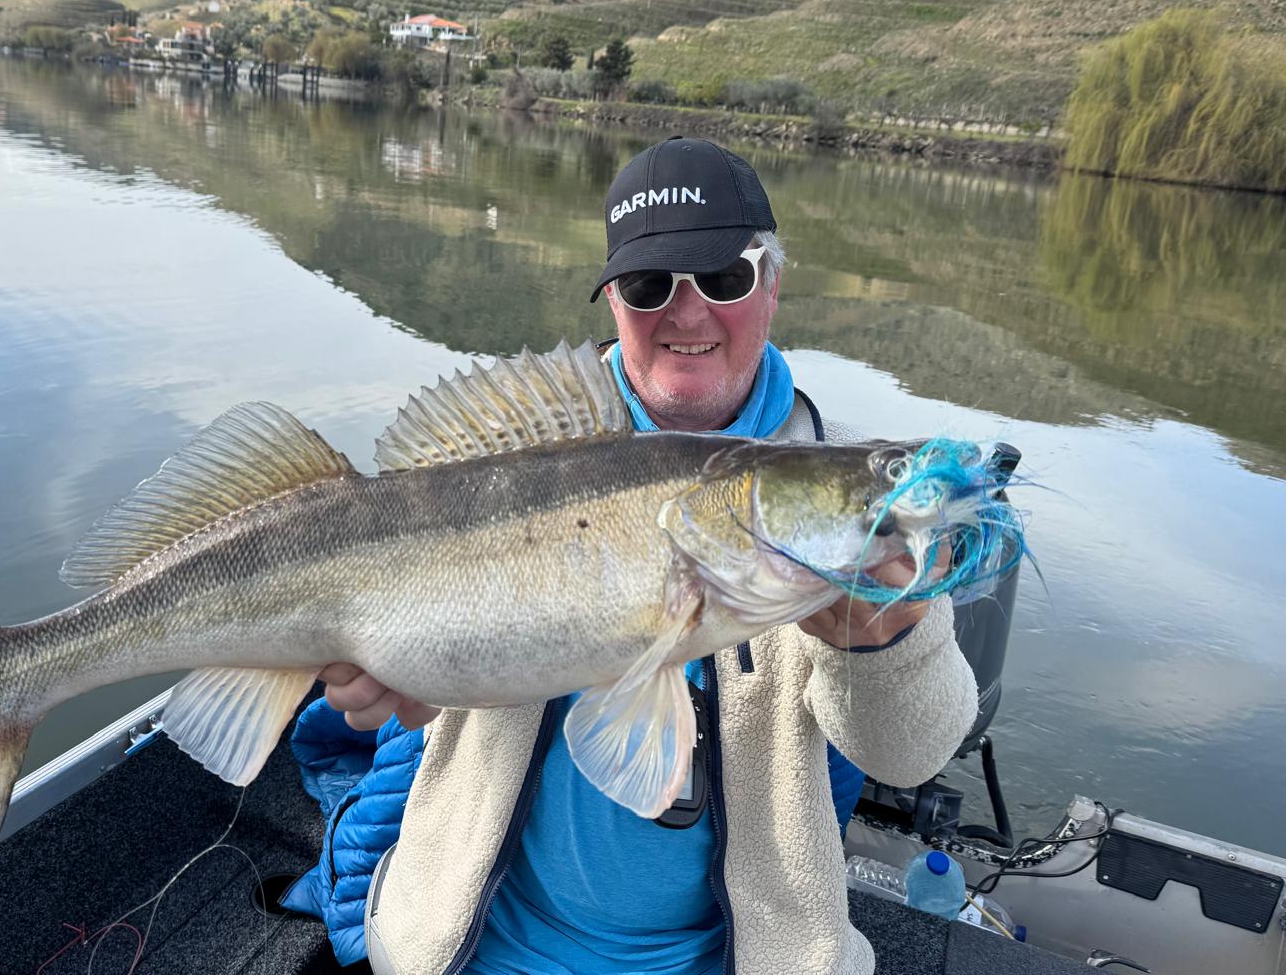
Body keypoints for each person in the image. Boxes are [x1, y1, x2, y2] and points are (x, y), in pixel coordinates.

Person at [283, 137, 978, 975]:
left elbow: (911, 757)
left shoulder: (841, 492)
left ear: (773, 286)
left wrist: (887, 645)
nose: (687, 316)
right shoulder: (509, 453)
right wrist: (410, 682)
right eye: (651, 286)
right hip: (478, 948)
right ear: (614, 300)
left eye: (724, 279)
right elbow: (418, 698)